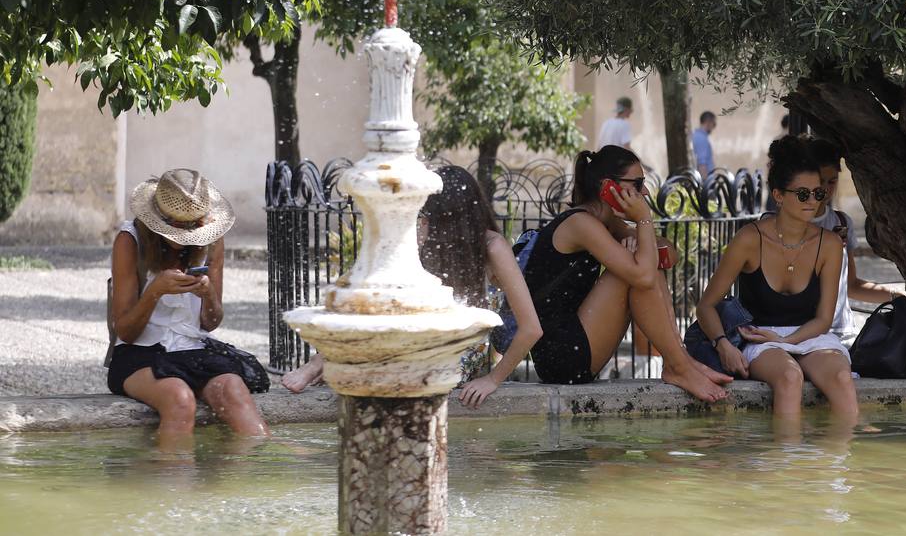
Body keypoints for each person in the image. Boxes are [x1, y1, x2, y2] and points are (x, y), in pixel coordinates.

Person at [282, 166, 544, 408]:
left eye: (428, 212)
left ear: (448, 216)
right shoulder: (431, 242)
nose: (422, 218)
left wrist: (493, 380)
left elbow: (531, 328)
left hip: (455, 360)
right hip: (420, 347)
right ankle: (322, 361)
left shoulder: (493, 248)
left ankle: (323, 364)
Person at [518, 145, 731, 400]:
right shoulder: (580, 224)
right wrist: (643, 222)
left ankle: (680, 362)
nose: (644, 192)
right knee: (636, 273)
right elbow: (643, 276)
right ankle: (680, 366)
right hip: (561, 356)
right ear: (608, 186)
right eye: (637, 183)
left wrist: (641, 245)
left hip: (576, 344)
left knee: (642, 267)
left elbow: (668, 256)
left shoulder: (606, 222)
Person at [696, 136, 856, 421]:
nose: (813, 202)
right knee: (789, 377)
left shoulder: (830, 244)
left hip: (810, 335)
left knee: (843, 379)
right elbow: (707, 305)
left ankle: (840, 462)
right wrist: (723, 344)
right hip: (758, 338)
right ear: (780, 195)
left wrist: (790, 341)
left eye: (818, 194)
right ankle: (784, 463)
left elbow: (823, 319)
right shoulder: (749, 238)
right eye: (803, 194)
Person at [108, 169, 268, 445]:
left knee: (234, 391)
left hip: (192, 349)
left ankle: (244, 480)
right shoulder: (130, 240)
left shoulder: (211, 239)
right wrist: (154, 292)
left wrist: (208, 295)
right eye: (177, 226)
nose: (185, 235)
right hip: (139, 354)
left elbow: (210, 322)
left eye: (191, 226)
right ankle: (175, 485)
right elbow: (125, 330)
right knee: (179, 399)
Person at [801, 137, 906, 345]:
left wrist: (900, 295)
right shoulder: (781, 224)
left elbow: (851, 285)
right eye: (819, 181)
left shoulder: (841, 223)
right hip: (799, 330)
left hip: (841, 333)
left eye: (832, 181)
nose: (825, 189)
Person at [692, 111, 717, 179]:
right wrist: (706, 185)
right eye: (714, 124)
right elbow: (702, 164)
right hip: (705, 181)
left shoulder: (696, 135)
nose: (714, 127)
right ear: (708, 122)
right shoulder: (702, 139)